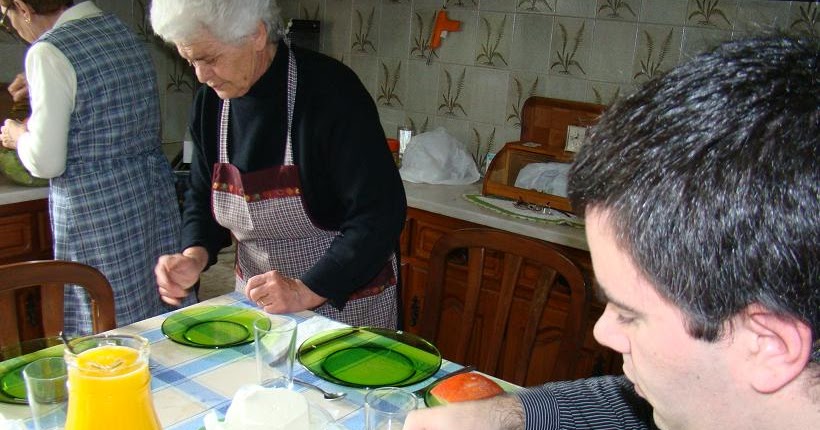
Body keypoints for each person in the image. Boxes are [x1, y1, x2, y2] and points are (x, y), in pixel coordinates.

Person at [404, 34, 819, 430]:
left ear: (768, 345)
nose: (602, 332)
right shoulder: (715, 392)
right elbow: (625, 404)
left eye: (631, 315)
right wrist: (503, 416)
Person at [149, 0, 406, 328]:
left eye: (209, 58)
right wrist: (193, 256)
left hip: (346, 306)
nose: (200, 75)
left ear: (255, 34)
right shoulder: (210, 105)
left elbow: (379, 213)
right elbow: (202, 196)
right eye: (190, 61)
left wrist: (305, 291)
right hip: (259, 307)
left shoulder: (331, 93)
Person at [0, 0, 189, 335]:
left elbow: (47, 161)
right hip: (149, 192)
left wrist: (17, 135)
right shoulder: (119, 31)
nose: (12, 26)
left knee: (107, 321)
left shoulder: (48, 52)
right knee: (158, 310)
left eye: (7, 17)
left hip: (95, 208)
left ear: (22, 6)